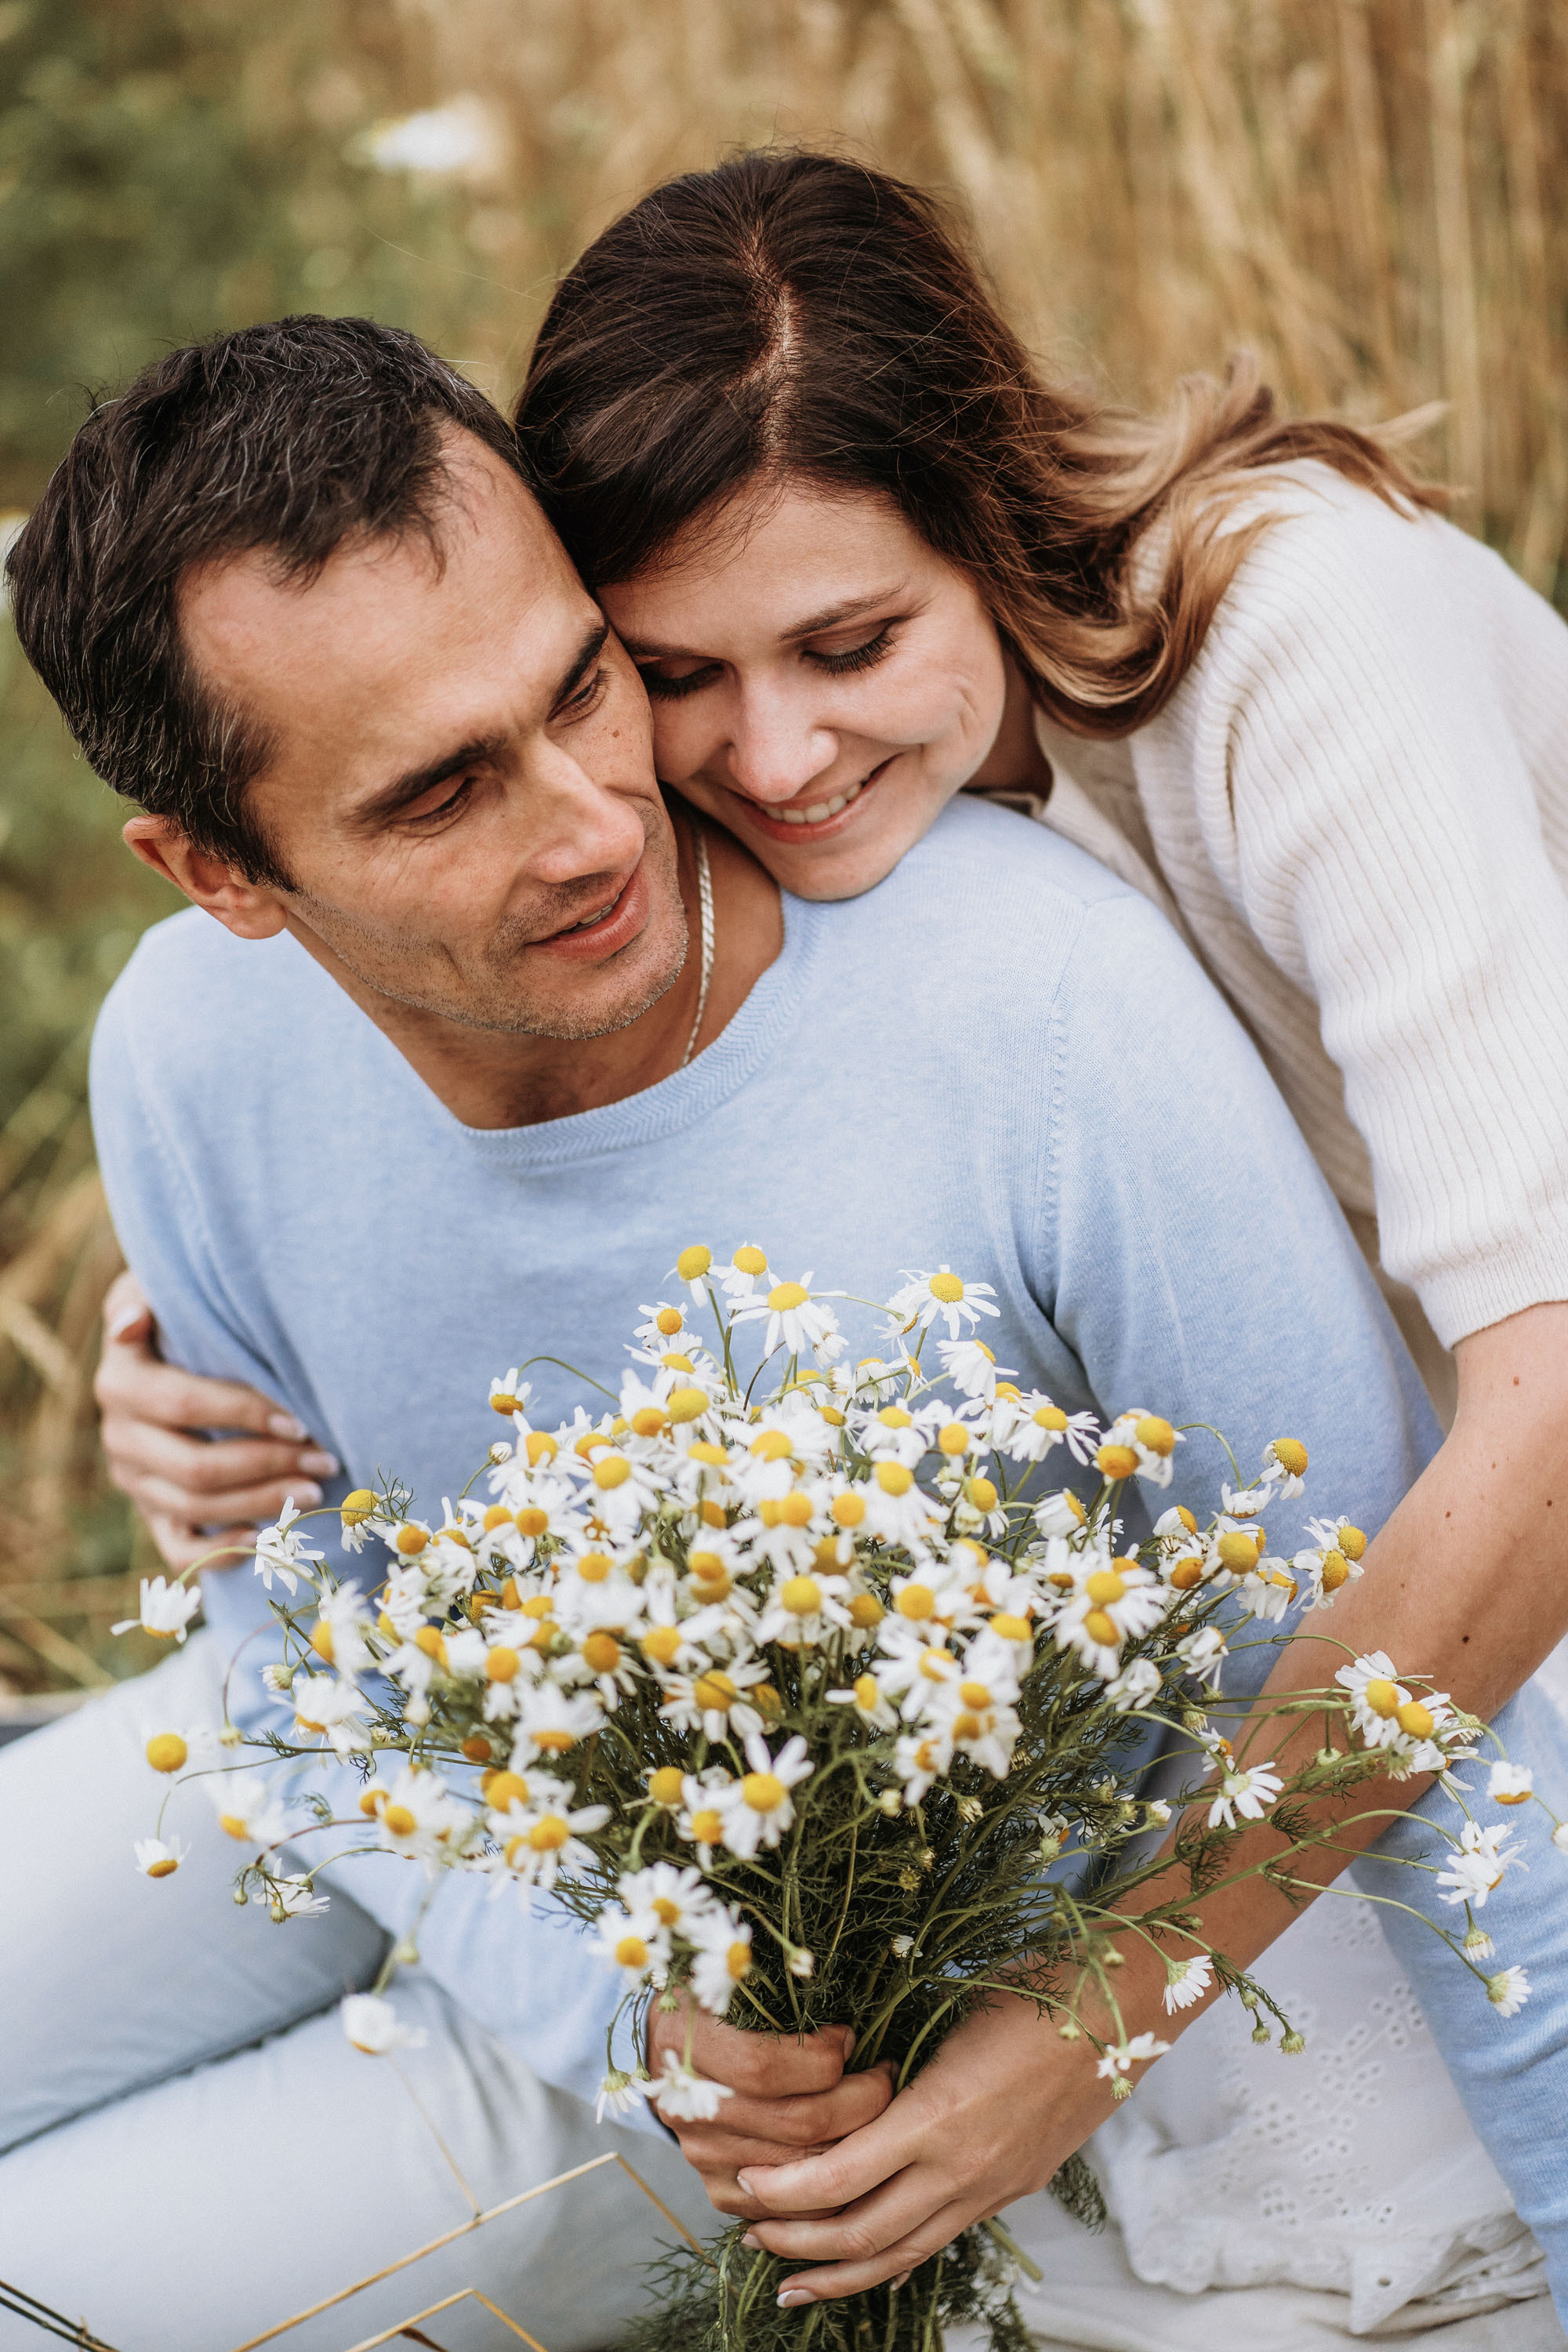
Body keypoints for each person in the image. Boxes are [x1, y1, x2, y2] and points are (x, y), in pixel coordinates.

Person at [17, 308, 1558, 2347]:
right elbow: (301, 1636)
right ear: (219, 871)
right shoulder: (189, 1053)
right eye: (441, 793)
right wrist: (585, 1982)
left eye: (587, 686)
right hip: (427, 1814)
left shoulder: (1043, 1004)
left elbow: (1424, 1711)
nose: (599, 818)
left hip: (802, 1949)